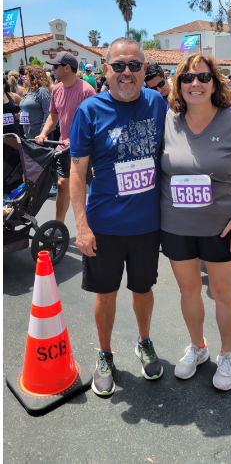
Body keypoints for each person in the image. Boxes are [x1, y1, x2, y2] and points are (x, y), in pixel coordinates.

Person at [69, 37, 168, 396]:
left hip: (146, 225)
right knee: (105, 293)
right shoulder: (89, 112)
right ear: (105, 69)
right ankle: (105, 353)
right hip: (104, 227)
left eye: (135, 65)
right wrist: (81, 225)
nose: (127, 73)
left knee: (143, 289)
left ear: (145, 69)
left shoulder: (157, 103)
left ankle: (144, 342)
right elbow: (77, 173)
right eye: (119, 66)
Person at [159, 53, 231, 390]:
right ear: (179, 84)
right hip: (176, 225)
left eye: (203, 77)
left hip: (221, 226)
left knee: (222, 293)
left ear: (215, 83)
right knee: (188, 291)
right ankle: (198, 347)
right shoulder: (168, 121)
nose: (195, 84)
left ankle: (227, 354)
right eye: (187, 78)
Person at [35, 51, 96, 223]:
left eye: (55, 66)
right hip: (64, 148)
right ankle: (57, 228)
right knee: (62, 186)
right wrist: (43, 133)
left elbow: (96, 124)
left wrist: (78, 138)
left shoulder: (87, 91)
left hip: (86, 150)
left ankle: (92, 227)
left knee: (92, 189)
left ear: (67, 68)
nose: (52, 69)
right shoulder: (56, 89)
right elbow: (53, 116)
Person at [19, 66, 51, 139]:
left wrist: (43, 133)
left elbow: (48, 113)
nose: (24, 76)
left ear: (34, 75)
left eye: (26, 74)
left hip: (39, 134)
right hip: (28, 133)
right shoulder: (28, 91)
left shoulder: (42, 91)